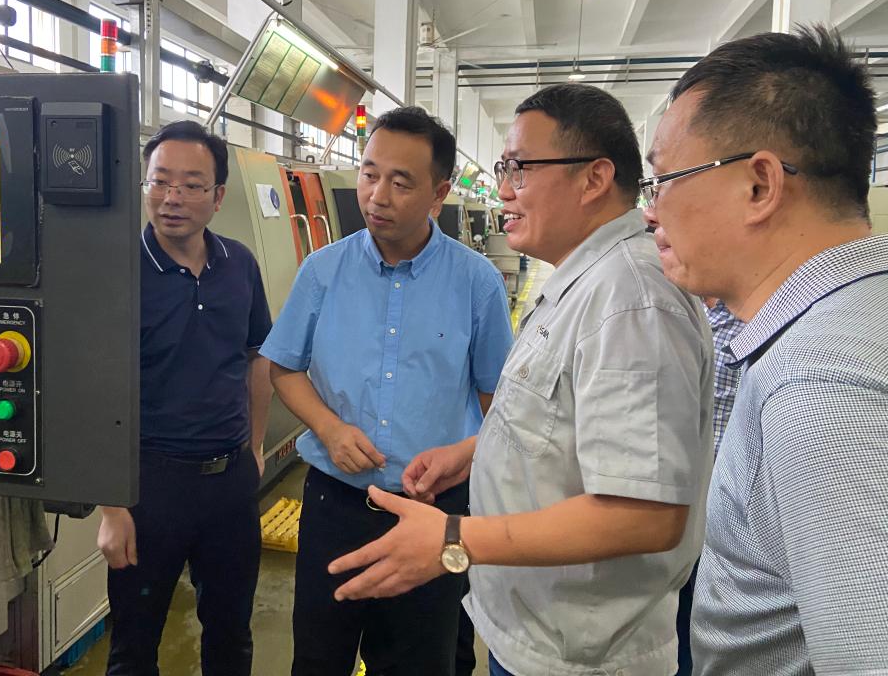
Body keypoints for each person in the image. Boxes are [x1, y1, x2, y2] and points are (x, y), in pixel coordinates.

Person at [330, 84, 714, 676]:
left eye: (520, 168)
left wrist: (455, 537)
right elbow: (564, 424)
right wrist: (472, 454)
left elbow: (647, 514)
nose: (504, 189)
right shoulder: (585, 282)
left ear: (594, 178)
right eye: (504, 168)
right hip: (540, 634)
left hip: (581, 654)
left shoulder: (629, 303)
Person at [643, 25, 888, 673]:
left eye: (664, 179)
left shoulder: (817, 388)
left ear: (760, 185)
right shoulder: (857, 315)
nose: (650, 211)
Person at [260, 106, 514, 676]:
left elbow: (501, 404)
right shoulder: (323, 271)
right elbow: (284, 368)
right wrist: (329, 428)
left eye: (401, 182)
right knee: (318, 658)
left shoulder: (476, 283)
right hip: (335, 503)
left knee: (420, 661)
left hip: (432, 511)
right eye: (369, 174)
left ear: (439, 194)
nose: (377, 195)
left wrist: (463, 455)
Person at [97, 120, 273, 676]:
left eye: (192, 185)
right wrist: (111, 507)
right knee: (133, 646)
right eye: (159, 181)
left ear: (218, 197)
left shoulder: (240, 264)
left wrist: (256, 446)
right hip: (149, 486)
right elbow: (94, 388)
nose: (172, 197)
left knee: (231, 635)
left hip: (229, 484)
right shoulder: (117, 271)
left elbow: (257, 356)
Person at [675, 297, 744, 675]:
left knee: (697, 627)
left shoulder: (751, 319)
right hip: (679, 501)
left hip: (719, 515)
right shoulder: (689, 306)